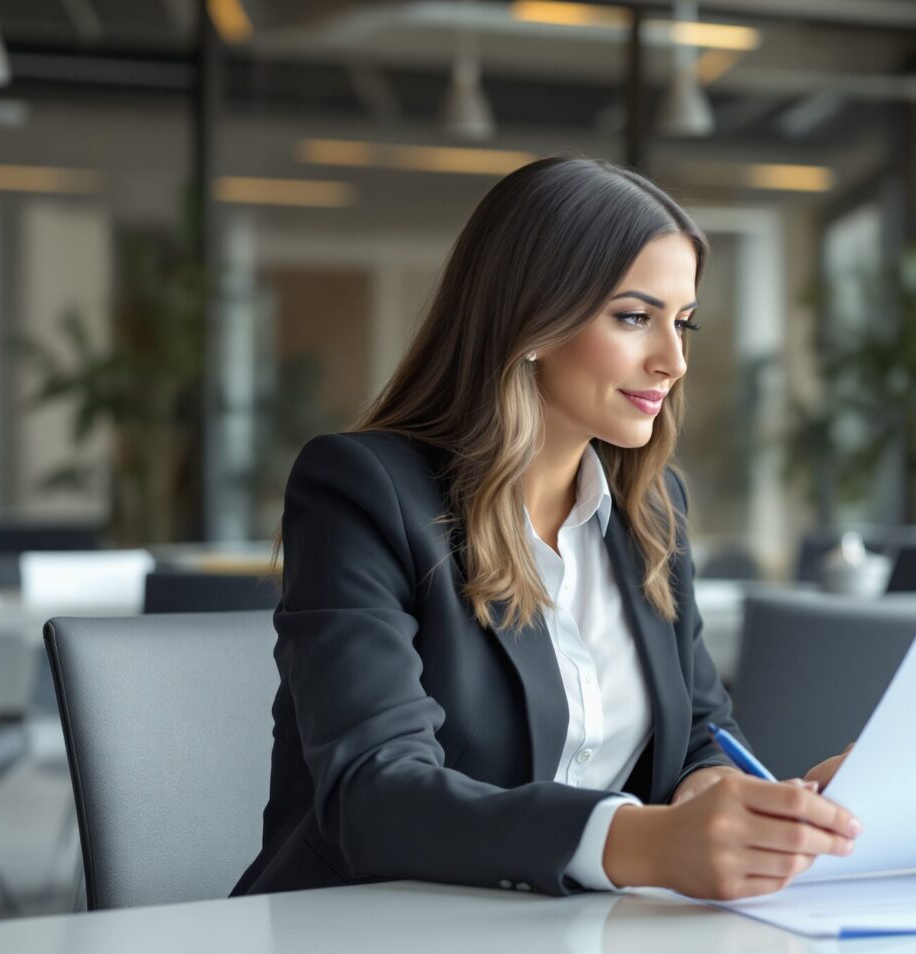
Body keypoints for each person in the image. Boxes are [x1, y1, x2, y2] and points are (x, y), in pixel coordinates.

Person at [234, 158, 854, 903]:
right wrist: (638, 841)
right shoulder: (363, 491)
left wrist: (742, 806)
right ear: (532, 319)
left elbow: (698, 732)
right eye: (634, 317)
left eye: (682, 323)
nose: (674, 360)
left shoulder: (652, 511)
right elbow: (375, 792)